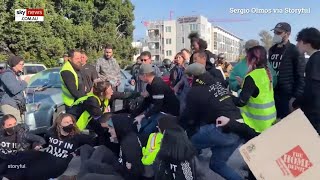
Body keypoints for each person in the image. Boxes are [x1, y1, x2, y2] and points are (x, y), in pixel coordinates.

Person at [180, 63, 258, 180]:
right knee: (217, 164)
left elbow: (189, 118)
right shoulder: (217, 84)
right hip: (238, 130)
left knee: (184, 146)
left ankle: (187, 176)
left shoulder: (195, 92)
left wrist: (176, 126)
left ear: (192, 77)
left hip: (223, 130)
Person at [1, 113, 94, 180]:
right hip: (46, 156)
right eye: (66, 122)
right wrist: (38, 145)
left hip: (59, 161)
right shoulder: (51, 133)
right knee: (22, 155)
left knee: (31, 172)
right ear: (59, 125)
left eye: (71, 122)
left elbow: (92, 142)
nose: (70, 124)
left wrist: (77, 152)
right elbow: (44, 142)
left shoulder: (77, 137)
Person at [77, 114, 145, 180]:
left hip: (123, 176)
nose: (109, 130)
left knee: (89, 177)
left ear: (118, 127)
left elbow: (135, 174)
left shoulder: (129, 144)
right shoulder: (125, 136)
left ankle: (84, 176)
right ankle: (82, 175)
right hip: (120, 167)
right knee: (89, 163)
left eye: (111, 127)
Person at [233, 46, 277, 133]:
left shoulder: (251, 77)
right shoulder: (267, 73)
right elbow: (258, 92)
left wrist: (228, 96)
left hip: (257, 124)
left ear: (253, 60)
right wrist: (244, 84)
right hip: (270, 120)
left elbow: (241, 102)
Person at [269, 22, 305, 119]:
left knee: (285, 122)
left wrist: (295, 97)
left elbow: (300, 76)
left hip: (287, 95)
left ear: (287, 34)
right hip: (272, 93)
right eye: (275, 32)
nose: (276, 34)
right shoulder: (271, 50)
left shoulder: (294, 50)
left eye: (279, 32)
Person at [132, 64, 180, 134]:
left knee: (147, 130)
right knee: (143, 125)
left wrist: (143, 115)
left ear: (144, 75)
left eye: (139, 75)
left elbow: (158, 105)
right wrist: (134, 114)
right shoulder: (150, 85)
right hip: (161, 111)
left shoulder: (157, 85)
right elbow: (147, 102)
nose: (138, 77)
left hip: (169, 113)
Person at [155, 115, 204, 180]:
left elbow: (189, 177)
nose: (157, 128)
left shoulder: (184, 162)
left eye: (159, 126)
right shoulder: (185, 155)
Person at [293, 27, 320, 134]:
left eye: (298, 42)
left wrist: (296, 103)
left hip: (315, 114)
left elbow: (312, 90)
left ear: (306, 43)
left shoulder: (314, 61)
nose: (297, 45)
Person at [0, 56, 30, 123]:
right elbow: (14, 90)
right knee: (16, 126)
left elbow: (20, 89)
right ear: (14, 65)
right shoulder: (7, 74)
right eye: (21, 64)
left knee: (21, 125)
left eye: (23, 64)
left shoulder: (15, 74)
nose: (23, 66)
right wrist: (25, 82)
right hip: (10, 105)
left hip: (17, 105)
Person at [60, 49, 86, 113]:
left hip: (78, 103)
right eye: (77, 58)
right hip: (72, 105)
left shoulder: (75, 67)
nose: (79, 60)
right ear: (70, 59)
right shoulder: (67, 71)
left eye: (80, 58)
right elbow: (74, 92)